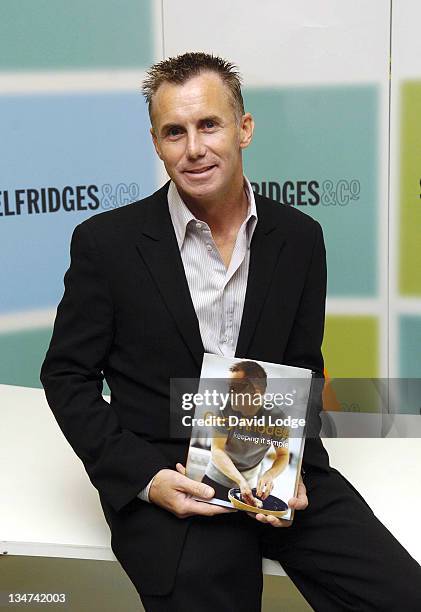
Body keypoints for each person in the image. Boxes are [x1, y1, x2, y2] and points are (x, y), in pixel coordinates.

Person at [40, 52, 421, 611]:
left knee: (404, 596)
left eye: (208, 124)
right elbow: (67, 375)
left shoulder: (299, 237)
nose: (193, 148)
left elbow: (301, 364)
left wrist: (290, 464)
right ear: (156, 142)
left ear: (244, 128)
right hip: (171, 474)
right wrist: (145, 478)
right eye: (174, 132)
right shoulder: (107, 243)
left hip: (274, 463)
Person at [201, 360, 290, 506]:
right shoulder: (225, 409)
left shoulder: (277, 418)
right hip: (217, 478)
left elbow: (283, 455)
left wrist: (269, 474)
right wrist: (240, 481)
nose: (230, 392)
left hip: (250, 483)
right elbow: (217, 449)